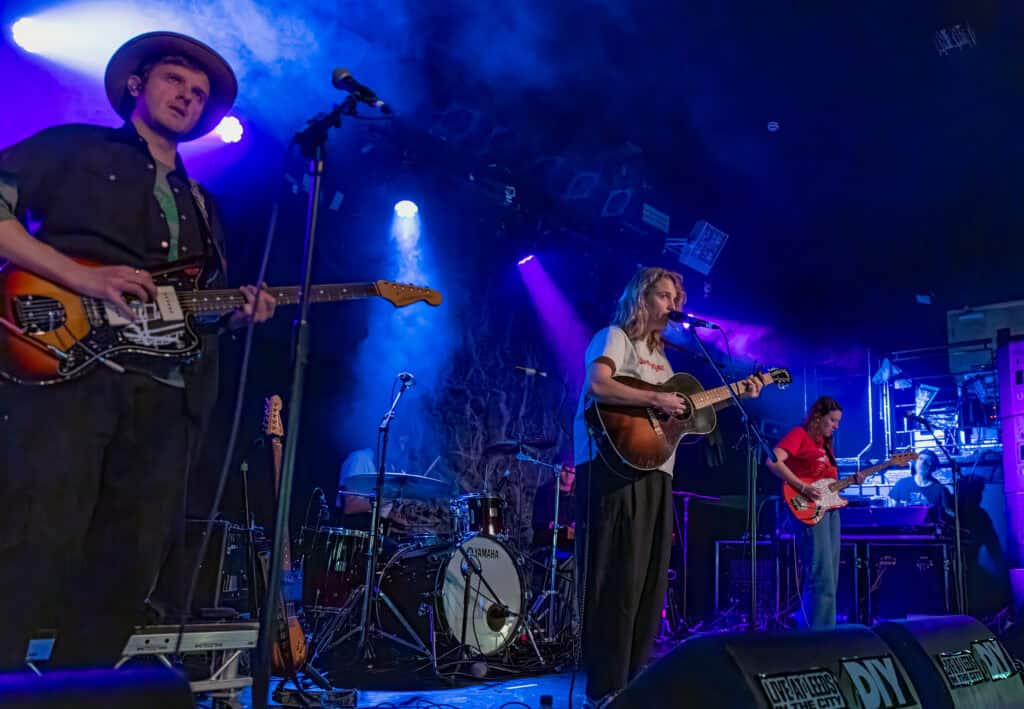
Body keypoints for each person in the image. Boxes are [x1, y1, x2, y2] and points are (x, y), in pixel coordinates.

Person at [0, 31, 276, 669]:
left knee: (128, 565)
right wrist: (82, 277)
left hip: (165, 401)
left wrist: (237, 314)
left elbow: (190, 311)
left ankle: (78, 695)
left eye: (200, 93)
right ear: (135, 85)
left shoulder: (203, 205)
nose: (189, 96)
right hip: (67, 374)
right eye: (176, 80)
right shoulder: (75, 147)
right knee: (35, 541)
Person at [573, 266, 763, 707]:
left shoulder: (665, 359)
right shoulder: (614, 337)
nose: (673, 305)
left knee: (649, 584)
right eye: (664, 295)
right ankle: (603, 688)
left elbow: (680, 417)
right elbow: (599, 385)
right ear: (641, 297)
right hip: (614, 468)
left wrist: (738, 393)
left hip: (657, 472)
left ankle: (632, 685)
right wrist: (657, 398)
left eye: (677, 298)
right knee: (619, 579)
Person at [766, 396, 865, 630]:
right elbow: (772, 461)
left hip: (829, 509)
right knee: (820, 572)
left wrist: (852, 480)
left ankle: (821, 628)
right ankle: (818, 635)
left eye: (838, 421)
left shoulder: (826, 445)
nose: (836, 426)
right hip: (807, 507)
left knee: (830, 574)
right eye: (832, 420)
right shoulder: (799, 435)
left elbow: (825, 484)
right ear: (818, 418)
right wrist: (801, 486)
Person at [889, 449, 954, 520]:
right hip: (903, 525)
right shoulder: (901, 484)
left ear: (933, 467)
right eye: (920, 459)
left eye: (928, 461)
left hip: (928, 526)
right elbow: (891, 507)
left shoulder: (940, 489)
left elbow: (948, 512)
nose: (923, 463)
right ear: (915, 462)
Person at [531, 463, 576, 551]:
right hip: (547, 544)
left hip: (570, 547)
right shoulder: (544, 492)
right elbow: (536, 522)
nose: (569, 474)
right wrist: (550, 525)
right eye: (566, 470)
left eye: (572, 471)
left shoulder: (578, 496)